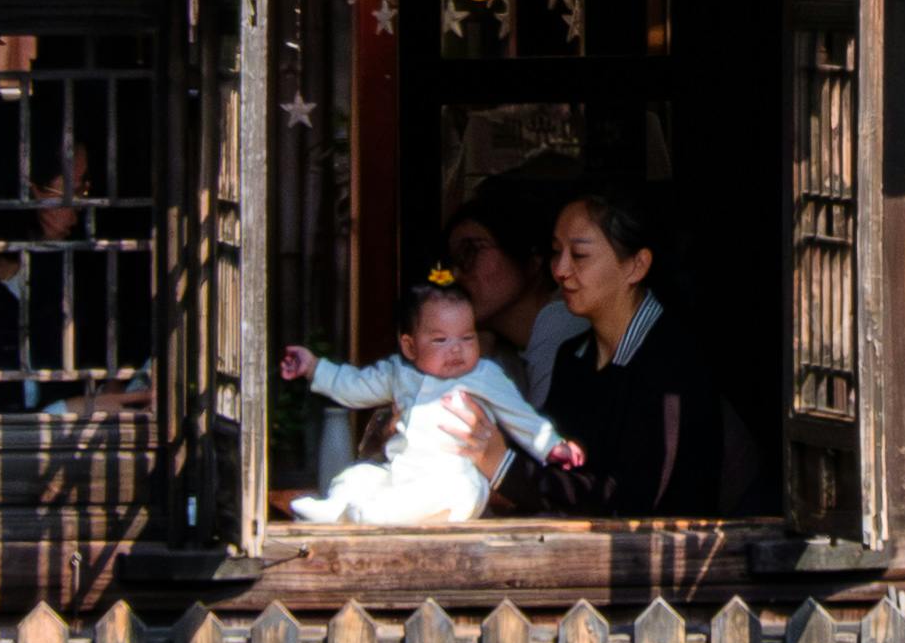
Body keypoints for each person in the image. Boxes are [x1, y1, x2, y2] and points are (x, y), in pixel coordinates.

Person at [277, 274, 586, 530]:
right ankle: (337, 509)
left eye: (467, 338)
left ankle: (374, 516)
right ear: (410, 347)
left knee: (458, 492)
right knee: (359, 476)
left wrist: (553, 446)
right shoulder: (398, 373)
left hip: (455, 473)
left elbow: (520, 416)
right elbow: (356, 385)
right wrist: (315, 367)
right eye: (441, 340)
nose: (456, 349)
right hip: (400, 472)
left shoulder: (485, 374)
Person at [540, 187, 724, 515]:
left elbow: (631, 497)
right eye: (556, 251)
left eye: (579, 255)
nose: (560, 269)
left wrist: (508, 472)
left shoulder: (672, 362)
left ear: (636, 266)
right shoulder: (572, 357)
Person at [440, 180, 581, 408]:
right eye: (452, 261)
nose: (456, 273)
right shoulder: (503, 349)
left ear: (533, 258)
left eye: (472, 250)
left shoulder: (562, 323)